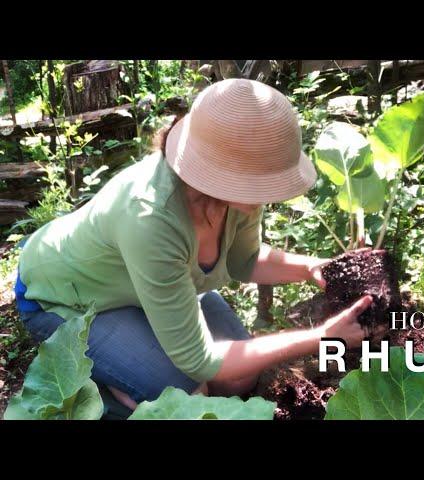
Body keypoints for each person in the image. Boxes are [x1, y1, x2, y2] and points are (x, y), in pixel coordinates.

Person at [14, 78, 376, 411]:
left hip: (140, 290)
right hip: (67, 299)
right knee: (187, 398)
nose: (270, 192)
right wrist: (322, 337)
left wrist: (316, 267)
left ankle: (137, 365)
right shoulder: (150, 218)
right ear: (222, 173)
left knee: (239, 378)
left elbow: (244, 261)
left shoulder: (238, 196)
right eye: (261, 180)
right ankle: (105, 395)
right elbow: (200, 360)